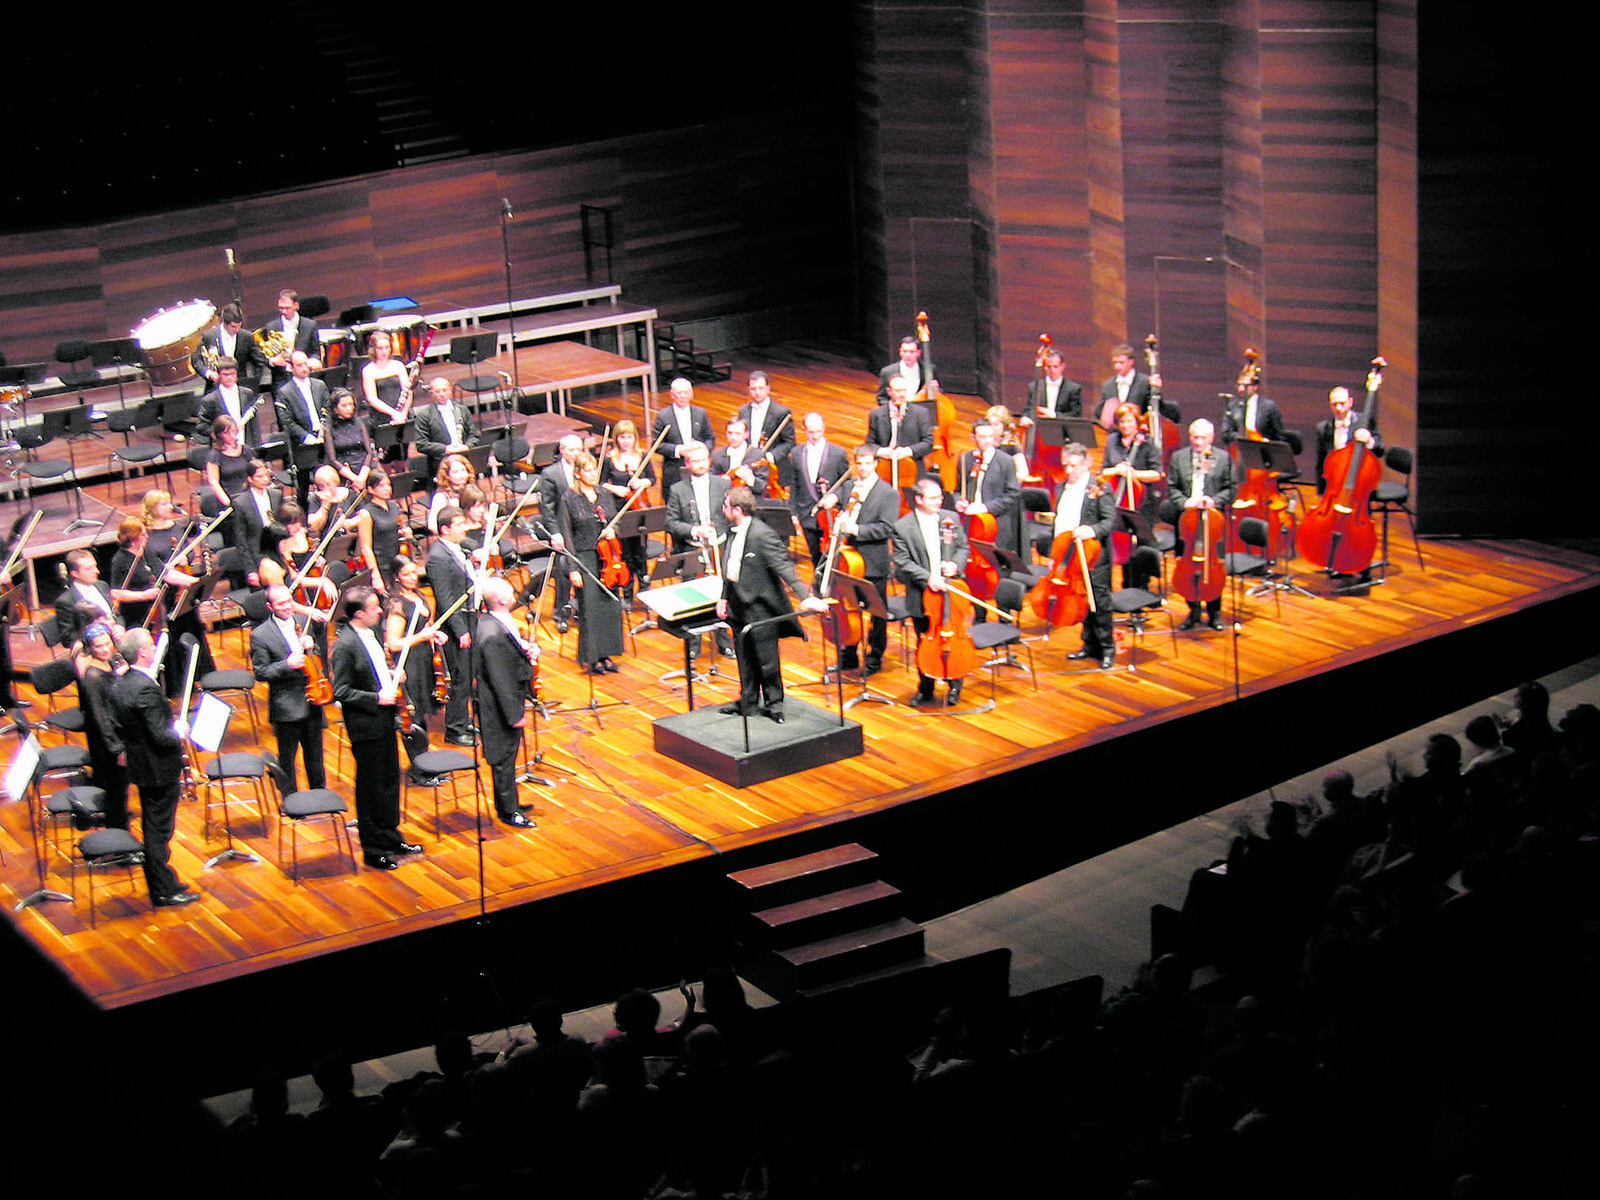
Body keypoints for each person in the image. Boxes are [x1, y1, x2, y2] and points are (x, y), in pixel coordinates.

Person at [716, 486, 828, 723]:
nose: (722, 510)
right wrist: (724, 597)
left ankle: (774, 703)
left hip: (760, 607)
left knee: (766, 659)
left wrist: (805, 595)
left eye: (726, 506)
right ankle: (748, 700)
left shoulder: (762, 534)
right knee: (744, 657)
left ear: (737, 509)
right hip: (738, 603)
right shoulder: (732, 531)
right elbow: (731, 569)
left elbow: (784, 566)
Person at [330, 587, 422, 870]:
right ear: (359, 614)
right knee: (371, 787)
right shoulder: (345, 645)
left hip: (384, 719)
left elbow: (373, 670)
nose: (380, 610)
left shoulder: (369, 634)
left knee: (390, 780)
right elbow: (341, 691)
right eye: (374, 607)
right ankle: (372, 848)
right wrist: (376, 697)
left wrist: (392, 675)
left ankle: (390, 836)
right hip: (366, 724)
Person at [108, 627, 201, 906]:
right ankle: (162, 889)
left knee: (154, 826)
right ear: (142, 652)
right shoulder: (145, 688)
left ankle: (164, 880)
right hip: (158, 768)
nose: (154, 646)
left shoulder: (121, 683)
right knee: (158, 831)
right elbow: (161, 736)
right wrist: (178, 730)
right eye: (150, 644)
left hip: (141, 765)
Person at [817, 446, 899, 676]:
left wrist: (856, 529)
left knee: (876, 613)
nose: (862, 468)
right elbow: (837, 511)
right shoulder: (848, 487)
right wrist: (831, 502)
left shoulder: (888, 493)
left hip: (873, 562)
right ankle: (849, 655)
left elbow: (886, 528)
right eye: (859, 463)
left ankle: (874, 659)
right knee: (846, 608)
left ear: (875, 464)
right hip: (847, 560)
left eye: (867, 463)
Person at [894, 477, 971, 706]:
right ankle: (925, 688)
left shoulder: (951, 518)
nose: (940, 501)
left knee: (954, 637)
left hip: (952, 591)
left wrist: (955, 564)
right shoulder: (902, 527)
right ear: (918, 499)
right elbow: (902, 562)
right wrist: (928, 577)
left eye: (940, 496)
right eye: (934, 497)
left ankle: (955, 684)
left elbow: (963, 547)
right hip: (922, 595)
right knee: (924, 642)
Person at [473, 577, 538, 828]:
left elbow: (510, 653)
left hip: (508, 700)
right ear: (501, 600)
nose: (515, 594)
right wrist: (514, 714)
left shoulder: (498, 621)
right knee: (502, 758)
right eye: (511, 592)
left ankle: (510, 802)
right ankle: (508, 811)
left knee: (509, 756)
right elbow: (499, 678)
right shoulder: (490, 634)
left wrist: (526, 651)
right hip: (499, 707)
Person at [1161, 418, 1237, 632]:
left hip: (1213, 522)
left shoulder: (1224, 458)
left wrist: (1214, 501)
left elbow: (1231, 489)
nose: (1198, 441)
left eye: (1203, 437)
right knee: (1187, 566)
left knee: (1214, 566)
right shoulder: (1178, 457)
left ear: (1211, 438)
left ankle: (1215, 612)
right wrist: (1184, 502)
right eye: (1195, 437)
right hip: (1187, 522)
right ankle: (1192, 610)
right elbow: (1172, 488)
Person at [251, 584, 327, 793]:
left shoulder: (303, 621)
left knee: (315, 753)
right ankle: (290, 799)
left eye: (289, 601)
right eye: (281, 603)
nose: (287, 607)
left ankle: (318, 795)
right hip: (286, 705)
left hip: (313, 697)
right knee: (288, 757)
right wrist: (287, 664)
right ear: (270, 606)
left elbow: (317, 657)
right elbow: (261, 672)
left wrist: (313, 647)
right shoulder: (261, 634)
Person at [1049, 444, 1118, 668]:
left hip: (1094, 555)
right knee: (1081, 600)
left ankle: (1107, 648)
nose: (1069, 470)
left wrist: (1092, 530)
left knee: (1099, 600)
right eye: (1066, 465)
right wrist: (1055, 553)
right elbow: (1058, 521)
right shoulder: (1061, 488)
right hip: (1069, 553)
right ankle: (1088, 644)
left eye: (1074, 466)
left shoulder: (1099, 487)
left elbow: (1110, 521)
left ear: (1086, 464)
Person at [560, 453, 624, 675]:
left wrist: (612, 530)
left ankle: (607, 654)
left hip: (607, 558)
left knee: (609, 607)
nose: (592, 474)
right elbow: (567, 535)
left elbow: (617, 520)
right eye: (587, 470)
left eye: (594, 469)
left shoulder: (604, 494)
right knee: (590, 608)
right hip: (584, 556)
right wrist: (573, 568)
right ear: (578, 473)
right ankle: (593, 657)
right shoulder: (569, 498)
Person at [425, 506, 479, 746]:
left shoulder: (458, 550)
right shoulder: (437, 557)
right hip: (455, 625)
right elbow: (445, 599)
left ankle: (464, 719)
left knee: (469, 674)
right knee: (461, 676)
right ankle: (455, 730)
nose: (465, 528)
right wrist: (461, 630)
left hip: (469, 617)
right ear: (445, 529)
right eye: (459, 525)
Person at [74, 621, 128, 829]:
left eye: (107, 644)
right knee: (115, 791)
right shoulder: (92, 677)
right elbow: (100, 717)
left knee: (122, 791)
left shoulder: (114, 660)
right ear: (90, 648)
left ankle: (120, 829)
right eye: (98, 646)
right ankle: (117, 836)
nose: (105, 649)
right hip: (106, 741)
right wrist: (116, 747)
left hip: (117, 732)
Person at [599, 419, 656, 597]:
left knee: (640, 551)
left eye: (629, 437)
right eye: (622, 437)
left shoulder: (643, 455)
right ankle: (629, 591)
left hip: (639, 509)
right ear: (616, 439)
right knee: (625, 553)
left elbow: (652, 479)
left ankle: (645, 589)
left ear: (635, 438)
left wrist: (641, 482)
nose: (626, 441)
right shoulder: (609, 459)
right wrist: (615, 488)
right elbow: (600, 483)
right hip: (618, 510)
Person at [789, 412, 850, 565]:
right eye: (810, 432)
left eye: (818, 431)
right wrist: (793, 512)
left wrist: (836, 497)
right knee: (815, 556)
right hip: (807, 514)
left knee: (833, 559)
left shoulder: (838, 453)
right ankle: (818, 585)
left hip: (831, 516)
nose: (815, 436)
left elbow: (847, 483)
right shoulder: (796, 453)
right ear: (804, 429)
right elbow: (795, 485)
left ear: (824, 428)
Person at [536, 434, 584, 628]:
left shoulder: (587, 469)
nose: (576, 453)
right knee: (565, 572)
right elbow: (547, 509)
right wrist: (555, 533)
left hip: (582, 529)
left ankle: (582, 609)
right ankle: (560, 614)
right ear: (562, 451)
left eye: (579, 449)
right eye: (572, 450)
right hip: (562, 531)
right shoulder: (550, 473)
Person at [954, 418, 1022, 554]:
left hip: (995, 522)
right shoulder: (965, 459)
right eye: (983, 437)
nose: (988, 441)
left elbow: (1012, 494)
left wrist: (985, 507)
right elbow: (958, 491)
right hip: (970, 521)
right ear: (973, 437)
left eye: (990, 436)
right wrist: (959, 502)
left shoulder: (1005, 461)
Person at [1313, 385, 1383, 492]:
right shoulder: (1323, 428)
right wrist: (1321, 491)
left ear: (1350, 402)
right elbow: (1320, 462)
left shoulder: (1365, 421)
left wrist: (1369, 441)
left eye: (1342, 403)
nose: (1338, 408)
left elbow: (1380, 450)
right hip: (1334, 482)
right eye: (1334, 404)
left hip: (1358, 481)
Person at [652, 377, 715, 493]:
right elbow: (656, 445)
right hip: (674, 471)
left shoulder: (700, 413)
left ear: (691, 394)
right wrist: (678, 450)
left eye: (685, 392)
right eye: (678, 393)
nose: (682, 396)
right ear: (672, 394)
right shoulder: (663, 416)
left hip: (699, 470)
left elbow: (710, 438)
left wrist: (702, 449)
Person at [1098, 342, 1178, 430]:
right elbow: (1099, 412)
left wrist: (1156, 391)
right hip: (1115, 434)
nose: (1117, 366)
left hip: (1140, 432)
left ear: (1131, 362)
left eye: (1121, 362)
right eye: (1115, 362)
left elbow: (1156, 409)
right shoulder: (1108, 385)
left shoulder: (1145, 382)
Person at [866, 376, 933, 480]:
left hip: (912, 467)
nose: (902, 395)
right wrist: (881, 451)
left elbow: (928, 442)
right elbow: (870, 443)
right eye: (898, 391)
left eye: (904, 390)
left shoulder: (921, 413)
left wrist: (908, 451)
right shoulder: (876, 414)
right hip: (884, 467)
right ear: (889, 392)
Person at [737, 370, 794, 489]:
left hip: (774, 467)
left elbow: (789, 442)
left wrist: (770, 457)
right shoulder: (743, 410)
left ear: (768, 389)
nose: (757, 392)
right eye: (753, 389)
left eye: (761, 388)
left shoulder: (781, 412)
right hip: (750, 464)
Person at [414, 377, 479, 482]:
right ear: (431, 394)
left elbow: (474, 435)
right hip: (440, 462)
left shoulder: (462, 410)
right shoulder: (424, 415)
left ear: (450, 390)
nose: (442, 394)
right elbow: (421, 444)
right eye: (437, 391)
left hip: (464, 458)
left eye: (444, 390)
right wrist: (445, 449)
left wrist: (466, 446)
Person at [354, 466, 406, 594]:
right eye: (382, 486)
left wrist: (405, 532)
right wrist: (375, 574)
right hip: (380, 564)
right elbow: (366, 547)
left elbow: (398, 528)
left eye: (388, 484)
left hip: (396, 561)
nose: (387, 488)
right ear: (371, 489)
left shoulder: (394, 506)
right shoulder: (366, 513)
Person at [232, 459, 283, 583]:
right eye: (260, 476)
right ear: (250, 479)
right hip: (258, 554)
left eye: (267, 475)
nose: (265, 479)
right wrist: (251, 570)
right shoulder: (241, 503)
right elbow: (241, 541)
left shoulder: (277, 495)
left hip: (278, 550)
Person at [54, 548, 119, 646]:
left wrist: (119, 625)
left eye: (95, 566)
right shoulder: (66, 602)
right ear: (75, 574)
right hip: (95, 648)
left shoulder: (102, 585)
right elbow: (67, 639)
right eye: (89, 568)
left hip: (116, 639)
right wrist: (98, 628)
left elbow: (116, 614)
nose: (97, 571)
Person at [256, 289, 321, 385]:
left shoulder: (310, 325)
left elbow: (315, 351)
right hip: (281, 378)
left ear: (296, 306)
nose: (284, 311)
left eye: (287, 308)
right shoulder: (271, 326)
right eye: (281, 308)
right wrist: (272, 361)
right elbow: (264, 356)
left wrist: (311, 361)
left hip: (305, 375)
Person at [195, 355, 263, 447]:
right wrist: (221, 433)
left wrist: (257, 445)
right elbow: (201, 426)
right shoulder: (210, 400)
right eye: (225, 375)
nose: (230, 377)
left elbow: (254, 424)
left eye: (232, 374)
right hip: (223, 447)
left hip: (246, 444)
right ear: (218, 375)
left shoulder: (247, 393)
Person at [191, 303, 266, 385]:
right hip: (215, 386)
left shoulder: (246, 336)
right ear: (224, 322)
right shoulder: (209, 336)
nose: (237, 330)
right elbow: (196, 359)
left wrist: (254, 382)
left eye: (239, 326)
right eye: (233, 326)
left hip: (240, 385)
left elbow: (259, 361)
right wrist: (208, 373)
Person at [275, 350, 331, 446]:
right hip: (302, 441)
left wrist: (322, 434)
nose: (304, 368)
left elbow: (328, 409)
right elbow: (287, 422)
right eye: (299, 365)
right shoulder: (284, 392)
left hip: (326, 436)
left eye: (305, 364)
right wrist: (307, 438)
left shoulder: (320, 385)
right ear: (291, 368)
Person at [323, 387, 374, 489]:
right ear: (335, 408)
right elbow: (333, 459)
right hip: (344, 471)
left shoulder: (359, 423)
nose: (349, 408)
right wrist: (354, 478)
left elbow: (369, 452)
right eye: (344, 406)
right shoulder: (329, 429)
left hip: (363, 468)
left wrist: (362, 477)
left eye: (351, 404)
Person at [360, 329, 413, 426]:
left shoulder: (398, 365)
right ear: (373, 349)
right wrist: (394, 414)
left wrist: (403, 413)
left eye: (387, 347)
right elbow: (372, 399)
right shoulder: (368, 370)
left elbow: (408, 392)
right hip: (382, 417)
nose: (384, 351)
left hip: (403, 414)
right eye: (380, 348)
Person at [204, 414, 252, 516]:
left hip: (248, 496)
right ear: (219, 434)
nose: (232, 436)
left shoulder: (245, 450)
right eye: (227, 433)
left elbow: (254, 471)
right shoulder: (214, 455)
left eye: (234, 432)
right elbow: (213, 482)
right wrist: (227, 502)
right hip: (229, 499)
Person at [710, 418, 769, 497]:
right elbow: (710, 480)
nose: (733, 437)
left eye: (737, 433)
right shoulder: (717, 455)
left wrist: (750, 479)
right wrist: (720, 480)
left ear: (746, 434)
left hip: (749, 500)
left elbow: (763, 486)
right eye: (729, 433)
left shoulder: (757, 455)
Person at [876, 335, 937, 405]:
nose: (908, 355)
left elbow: (938, 393)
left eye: (911, 352)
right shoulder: (887, 372)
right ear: (900, 352)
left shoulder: (929, 369)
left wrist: (936, 390)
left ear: (919, 353)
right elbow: (882, 398)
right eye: (904, 351)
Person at [427, 453, 477, 533]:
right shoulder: (441, 497)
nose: (461, 475)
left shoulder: (472, 490)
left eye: (463, 470)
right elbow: (433, 526)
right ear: (447, 476)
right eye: (455, 472)